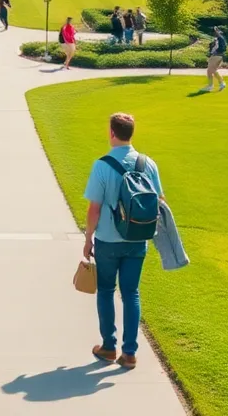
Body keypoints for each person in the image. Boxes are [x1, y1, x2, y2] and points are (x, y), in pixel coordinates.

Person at [83, 113, 162, 370]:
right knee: (131, 293)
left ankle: (108, 346)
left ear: (112, 133)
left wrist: (88, 238)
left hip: (108, 239)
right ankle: (129, 353)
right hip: (138, 239)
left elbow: (94, 209)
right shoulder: (148, 163)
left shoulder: (102, 165)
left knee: (106, 291)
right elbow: (158, 202)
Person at [202, 26, 227, 92]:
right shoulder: (218, 39)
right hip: (217, 56)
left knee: (211, 70)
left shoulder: (220, 38)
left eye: (215, 31)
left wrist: (215, 52)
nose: (214, 33)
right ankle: (214, 85)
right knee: (211, 70)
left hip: (216, 56)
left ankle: (215, 84)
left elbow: (223, 48)